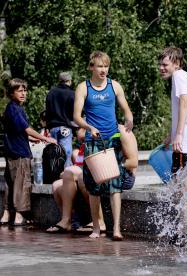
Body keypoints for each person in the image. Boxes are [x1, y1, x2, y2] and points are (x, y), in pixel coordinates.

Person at [73, 51, 135, 240]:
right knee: (93, 187)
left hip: (112, 140)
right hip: (93, 141)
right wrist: (88, 126)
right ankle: (97, 228)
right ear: (91, 67)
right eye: (99, 66)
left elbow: (125, 108)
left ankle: (116, 229)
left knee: (115, 185)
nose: (103, 70)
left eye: (106, 66)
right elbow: (76, 117)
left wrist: (129, 117)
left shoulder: (114, 85)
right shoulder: (83, 88)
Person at [46, 125, 138, 233]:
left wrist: (106, 166)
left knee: (81, 177)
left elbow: (133, 163)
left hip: (123, 176)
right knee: (58, 184)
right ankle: (67, 220)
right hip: (101, 173)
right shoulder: (94, 134)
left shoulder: (123, 132)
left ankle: (100, 221)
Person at [158, 46, 187, 238]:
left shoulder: (179, 77)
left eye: (165, 64)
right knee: (181, 188)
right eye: (160, 64)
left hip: (185, 143)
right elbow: (186, 110)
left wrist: (179, 135)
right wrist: (172, 134)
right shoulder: (184, 77)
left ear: (176, 63)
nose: (161, 67)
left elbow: (184, 103)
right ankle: (183, 231)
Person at [0, 78, 57, 226]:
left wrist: (32, 139)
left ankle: (6, 215)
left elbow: (17, 132)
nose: (24, 93)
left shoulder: (10, 108)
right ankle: (19, 216)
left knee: (10, 183)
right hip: (20, 152)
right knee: (22, 183)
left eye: (25, 90)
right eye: (19, 91)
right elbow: (26, 128)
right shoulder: (16, 109)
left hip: (11, 149)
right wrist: (45, 138)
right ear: (11, 93)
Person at [45, 71, 75, 167]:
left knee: (55, 154)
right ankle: (66, 178)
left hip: (53, 128)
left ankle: (55, 176)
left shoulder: (51, 92)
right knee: (66, 154)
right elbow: (74, 113)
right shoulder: (71, 93)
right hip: (65, 128)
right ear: (69, 81)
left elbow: (47, 111)